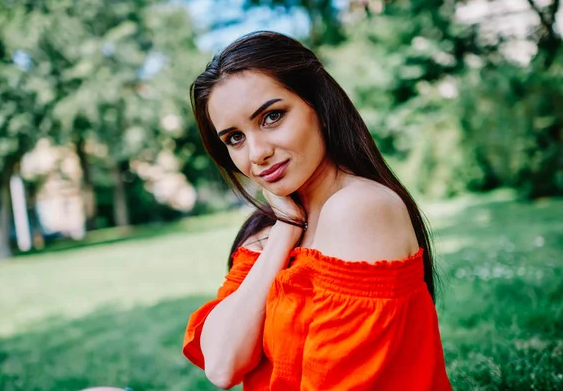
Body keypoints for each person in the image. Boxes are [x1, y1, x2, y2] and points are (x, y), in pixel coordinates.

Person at [183, 31, 451, 390]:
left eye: (272, 117)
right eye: (235, 138)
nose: (256, 152)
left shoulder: (358, 209)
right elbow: (222, 366)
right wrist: (286, 229)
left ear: (320, 107)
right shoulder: (270, 226)